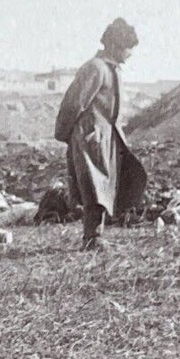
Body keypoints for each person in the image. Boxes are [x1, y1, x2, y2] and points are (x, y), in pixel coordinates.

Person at [53, 18, 148, 250]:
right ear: (115, 45)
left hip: (105, 138)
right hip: (91, 138)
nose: (130, 54)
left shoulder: (111, 69)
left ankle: (97, 234)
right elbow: (73, 104)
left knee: (105, 186)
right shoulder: (95, 68)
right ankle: (92, 237)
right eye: (128, 48)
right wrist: (67, 134)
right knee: (94, 187)